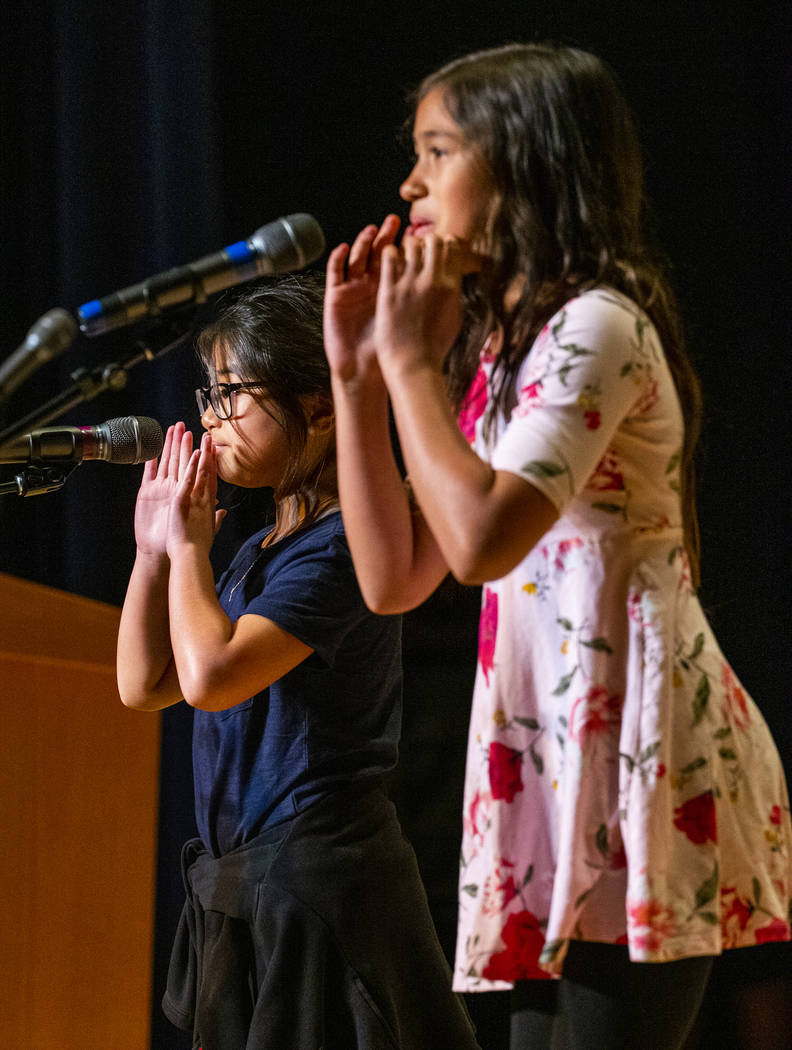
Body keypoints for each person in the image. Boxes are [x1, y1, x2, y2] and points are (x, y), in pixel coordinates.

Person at [323, 43, 792, 1050]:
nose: (410, 184)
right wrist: (362, 377)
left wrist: (409, 362)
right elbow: (398, 574)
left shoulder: (599, 326)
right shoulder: (505, 349)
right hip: (547, 750)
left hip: (632, 754)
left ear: (524, 165)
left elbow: (484, 538)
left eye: (436, 151)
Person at [116, 275, 481, 1050]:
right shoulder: (255, 551)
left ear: (320, 408)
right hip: (254, 890)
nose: (209, 419)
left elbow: (212, 678)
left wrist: (185, 549)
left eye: (231, 394)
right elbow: (145, 684)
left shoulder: (341, 547)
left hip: (322, 888)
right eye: (206, 396)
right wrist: (155, 556)